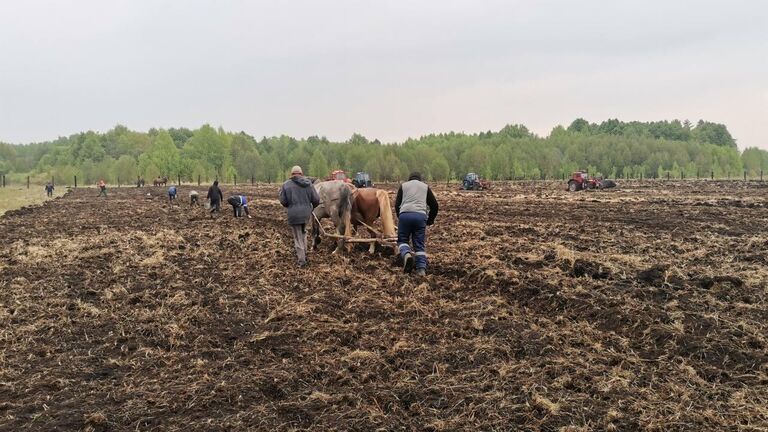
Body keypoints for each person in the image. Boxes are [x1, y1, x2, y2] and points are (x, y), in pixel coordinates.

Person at [395, 172, 438, 276]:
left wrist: (400, 216)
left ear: (409, 179)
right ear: (420, 179)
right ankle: (421, 269)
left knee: (402, 240)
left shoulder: (403, 186)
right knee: (419, 244)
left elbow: (397, 204)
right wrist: (430, 220)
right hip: (420, 217)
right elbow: (435, 205)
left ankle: (406, 254)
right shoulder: (425, 187)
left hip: (405, 215)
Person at [279, 165, 320, 267]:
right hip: (306, 214)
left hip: (294, 214)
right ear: (301, 174)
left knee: (297, 237)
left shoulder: (286, 185)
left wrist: (290, 206)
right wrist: (311, 207)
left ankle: (302, 261)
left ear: (291, 174)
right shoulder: (309, 184)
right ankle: (304, 254)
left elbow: (283, 201)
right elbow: (316, 200)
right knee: (304, 233)